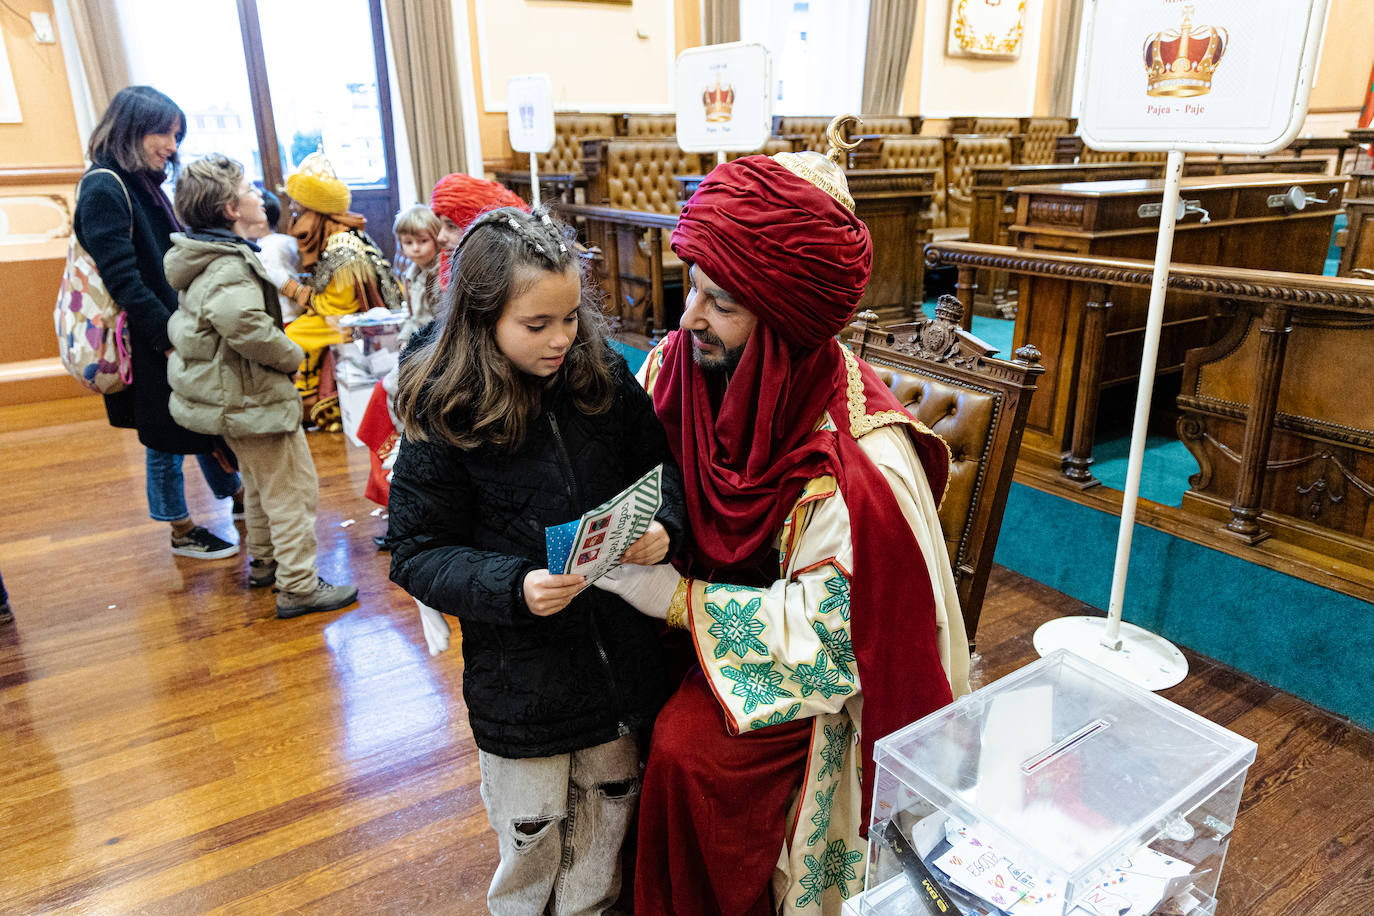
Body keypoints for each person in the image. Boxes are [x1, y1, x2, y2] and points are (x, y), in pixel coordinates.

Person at [592, 125, 972, 914]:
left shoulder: (861, 467)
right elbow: (627, 466)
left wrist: (673, 600)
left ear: (786, 326)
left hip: (790, 676)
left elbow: (834, 644)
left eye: (720, 303)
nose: (688, 317)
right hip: (690, 604)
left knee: (690, 756)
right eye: (692, 285)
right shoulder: (681, 366)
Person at [386, 206, 687, 914]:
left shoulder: (604, 374)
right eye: (537, 325)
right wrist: (513, 585)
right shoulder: (446, 406)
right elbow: (417, 552)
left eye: (571, 318)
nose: (561, 340)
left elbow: (661, 470)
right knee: (530, 840)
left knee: (607, 828)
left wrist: (664, 527)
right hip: (521, 684)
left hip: (616, 666)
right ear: (482, 317)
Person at [164, 155, 358, 619]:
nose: (259, 196)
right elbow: (245, 324)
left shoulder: (204, 257)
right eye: (249, 189)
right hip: (251, 397)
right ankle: (299, 585)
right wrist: (291, 356)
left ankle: (267, 562)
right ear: (231, 209)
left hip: (231, 400)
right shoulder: (230, 266)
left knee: (258, 481)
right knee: (291, 489)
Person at [73, 85, 241, 560]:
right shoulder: (105, 185)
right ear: (132, 129)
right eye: (163, 133)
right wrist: (167, 337)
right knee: (162, 434)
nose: (171, 145)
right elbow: (123, 277)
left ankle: (236, 493)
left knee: (198, 417)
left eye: (176, 135)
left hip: (165, 325)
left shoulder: (135, 180)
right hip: (148, 334)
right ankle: (180, 527)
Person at [272, 151, 402, 430]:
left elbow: (338, 309)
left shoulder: (341, 246)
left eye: (299, 210)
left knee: (291, 336)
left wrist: (292, 288)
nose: (295, 217)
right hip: (340, 315)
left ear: (315, 212)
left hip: (351, 323)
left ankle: (306, 406)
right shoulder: (336, 235)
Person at [429, 172, 528, 290]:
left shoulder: (519, 284)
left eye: (451, 226)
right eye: (442, 225)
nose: (440, 237)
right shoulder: (443, 276)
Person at [243, 189, 301, 324]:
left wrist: (305, 298)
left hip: (286, 315)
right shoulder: (273, 242)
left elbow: (280, 279)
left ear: (262, 219)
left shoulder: (271, 247)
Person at [392, 203, 442, 341]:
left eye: (423, 241)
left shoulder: (442, 275)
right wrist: (404, 341)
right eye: (408, 242)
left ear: (437, 239)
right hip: (420, 342)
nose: (415, 248)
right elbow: (411, 318)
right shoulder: (409, 276)